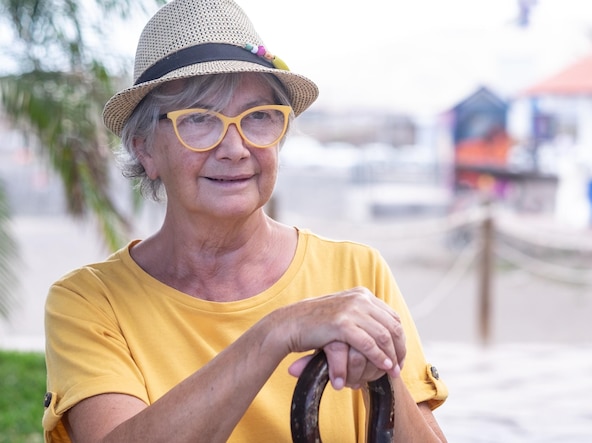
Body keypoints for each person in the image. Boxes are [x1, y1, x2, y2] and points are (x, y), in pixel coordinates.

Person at [42, 0, 448, 441]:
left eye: (257, 118)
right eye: (199, 119)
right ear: (145, 149)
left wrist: (380, 372)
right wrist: (277, 330)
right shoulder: (89, 302)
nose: (235, 147)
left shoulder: (357, 273)